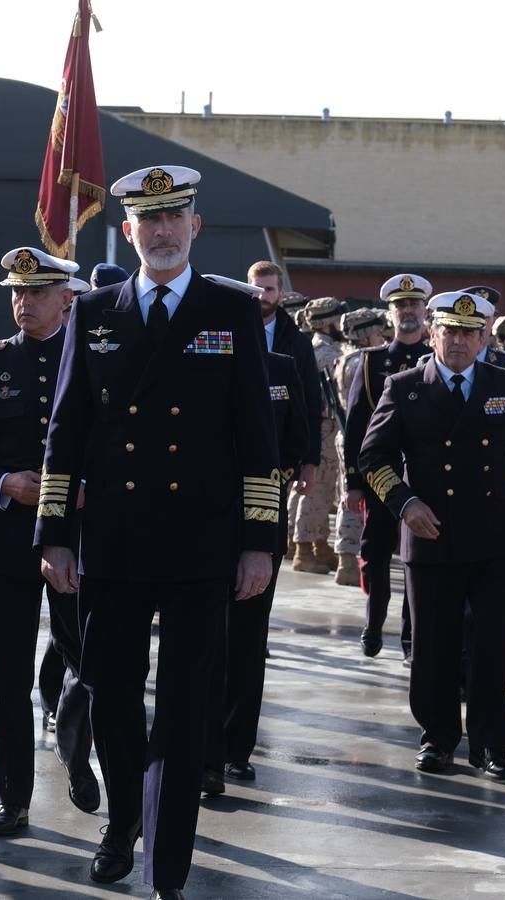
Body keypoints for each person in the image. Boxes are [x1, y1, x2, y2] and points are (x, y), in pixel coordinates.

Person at [35, 164, 278, 897]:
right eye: (151, 219)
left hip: (202, 545)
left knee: (185, 703)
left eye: (177, 217)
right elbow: (65, 430)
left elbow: (257, 438)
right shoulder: (95, 313)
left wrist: (260, 542)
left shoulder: (231, 312)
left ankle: (168, 858)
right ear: (130, 230)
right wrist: (54, 532)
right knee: (111, 692)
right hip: (113, 541)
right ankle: (120, 820)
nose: (164, 231)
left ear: (195, 227)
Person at [357, 290, 505, 780]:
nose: (459, 341)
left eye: (469, 333)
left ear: (484, 336)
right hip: (431, 536)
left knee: (491, 646)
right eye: (449, 331)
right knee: (433, 647)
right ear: (432, 332)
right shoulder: (404, 387)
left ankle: (491, 746)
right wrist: (405, 503)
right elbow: (371, 458)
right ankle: (437, 738)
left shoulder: (504, 382)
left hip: (493, 537)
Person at [0, 246, 99, 835]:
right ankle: (13, 796)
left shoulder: (94, 360)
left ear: (66, 298)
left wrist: (90, 488)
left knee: (89, 660)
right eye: (16, 292)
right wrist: (3, 482)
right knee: (5, 674)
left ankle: (76, 752)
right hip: (6, 539)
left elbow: (117, 444)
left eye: (36, 293)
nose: (23, 302)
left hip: (77, 536)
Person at [203, 275, 310, 791]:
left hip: (258, 522)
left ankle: (234, 749)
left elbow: (296, 440)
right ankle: (200, 750)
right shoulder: (195, 367)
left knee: (247, 642)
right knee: (202, 643)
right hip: (199, 524)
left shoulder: (282, 368)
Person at [343, 273, 433, 659]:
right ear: (389, 314)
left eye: (413, 305)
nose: (408, 311)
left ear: (425, 311)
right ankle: (373, 624)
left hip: (425, 477)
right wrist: (353, 483)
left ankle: (412, 636)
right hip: (382, 478)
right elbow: (354, 427)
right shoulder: (370, 363)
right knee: (375, 555)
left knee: (418, 559)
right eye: (400, 305)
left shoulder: (438, 359)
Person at [247, 260, 323, 565]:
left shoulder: (298, 344)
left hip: (280, 458)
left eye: (269, 289)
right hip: (235, 455)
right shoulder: (229, 330)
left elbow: (311, 405)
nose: (263, 296)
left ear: (280, 294)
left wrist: (310, 462)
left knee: (267, 547)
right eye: (257, 288)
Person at [291, 297, 347, 575]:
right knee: (315, 492)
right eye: (338, 318)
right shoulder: (326, 354)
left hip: (327, 427)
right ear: (327, 322)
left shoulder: (327, 349)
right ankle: (304, 549)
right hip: (325, 427)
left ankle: (319, 546)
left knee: (323, 492)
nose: (342, 324)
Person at [332, 307, 386, 586]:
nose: (381, 338)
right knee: (354, 500)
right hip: (359, 436)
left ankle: (347, 556)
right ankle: (348, 559)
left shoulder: (347, 358)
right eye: (377, 333)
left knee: (349, 497)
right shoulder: (360, 363)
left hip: (349, 434)